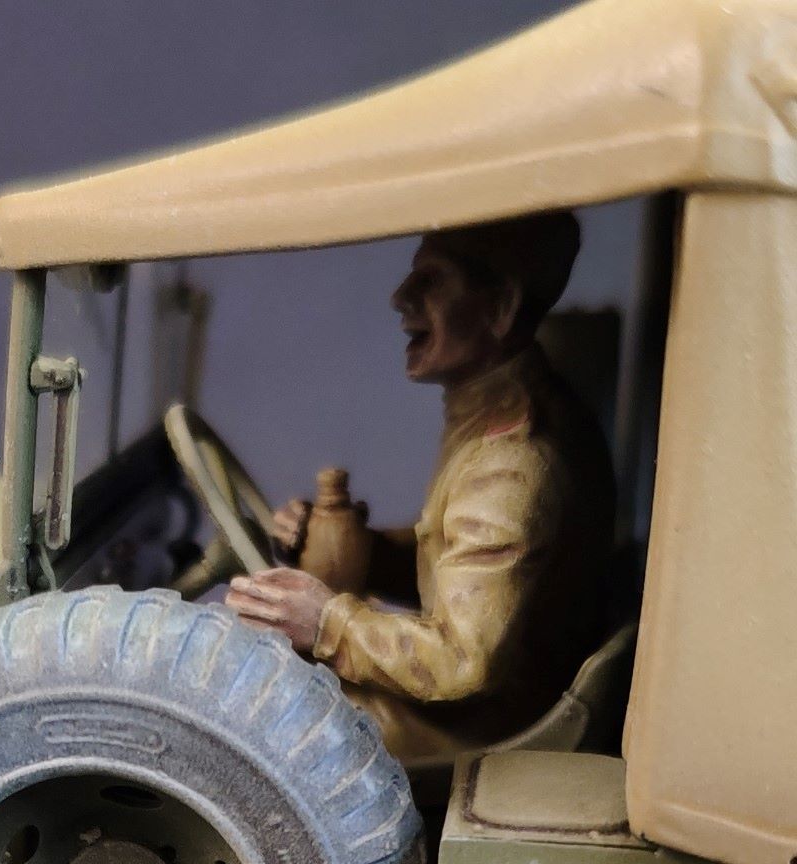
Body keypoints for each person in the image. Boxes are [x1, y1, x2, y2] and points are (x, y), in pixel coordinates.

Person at [225, 211, 616, 769]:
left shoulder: (511, 461)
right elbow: (459, 561)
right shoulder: (493, 418)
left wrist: (326, 623)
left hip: (483, 730)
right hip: (490, 707)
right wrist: (351, 545)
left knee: (248, 715)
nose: (400, 297)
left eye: (431, 280)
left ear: (500, 307)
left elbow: (462, 660)